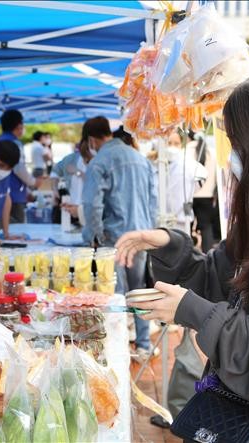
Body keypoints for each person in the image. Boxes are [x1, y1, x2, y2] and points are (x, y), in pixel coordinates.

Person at [117, 70, 249, 442]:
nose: (230, 158)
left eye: (236, 144)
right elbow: (220, 282)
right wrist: (169, 245)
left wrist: (192, 310)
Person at [80, 116, 157, 359]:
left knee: (114, 297)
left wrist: (93, 234)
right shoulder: (139, 158)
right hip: (141, 235)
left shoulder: (100, 161)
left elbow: (92, 204)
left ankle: (117, 348)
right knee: (139, 292)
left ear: (92, 140)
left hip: (113, 238)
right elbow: (152, 201)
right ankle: (143, 344)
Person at [0, 110, 41, 223]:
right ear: (18, 125)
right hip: (14, 195)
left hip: (1, 193)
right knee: (16, 230)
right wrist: (33, 182)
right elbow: (19, 169)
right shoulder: (14, 143)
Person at [166, 130, 208, 234]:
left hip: (181, 220)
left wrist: (190, 192)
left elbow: (202, 176)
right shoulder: (157, 163)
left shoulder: (188, 163)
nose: (172, 146)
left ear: (181, 144)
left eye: (176, 143)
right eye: (169, 143)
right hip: (161, 219)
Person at [189, 131, 219, 252]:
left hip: (190, 195)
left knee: (187, 227)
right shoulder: (212, 151)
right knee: (206, 227)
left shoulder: (188, 149)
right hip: (208, 196)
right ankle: (208, 254)